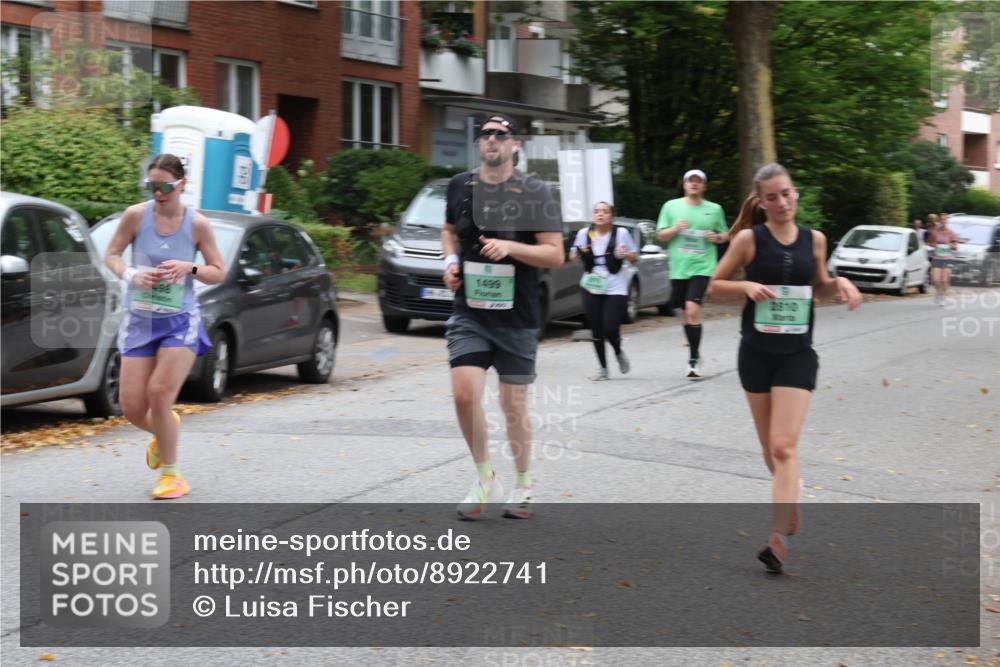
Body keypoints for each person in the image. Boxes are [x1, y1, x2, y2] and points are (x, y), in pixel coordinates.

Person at [709, 163, 861, 574]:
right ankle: (791, 488)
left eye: (787, 193)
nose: (781, 202)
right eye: (772, 197)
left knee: (782, 446)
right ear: (760, 201)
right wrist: (743, 286)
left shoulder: (815, 240)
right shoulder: (748, 239)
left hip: (797, 354)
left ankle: (776, 540)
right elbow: (714, 286)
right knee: (768, 449)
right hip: (756, 353)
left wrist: (840, 284)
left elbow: (819, 287)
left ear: (796, 194)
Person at [441, 114, 563, 520]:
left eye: (501, 135)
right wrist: (451, 260)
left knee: (513, 406)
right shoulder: (460, 186)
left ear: (516, 144)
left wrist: (511, 249)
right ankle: (484, 476)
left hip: (518, 315)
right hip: (470, 311)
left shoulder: (535, 192)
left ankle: (524, 481)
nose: (492, 140)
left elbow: (554, 253)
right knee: (463, 393)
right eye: (486, 134)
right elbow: (447, 230)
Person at [105, 154, 225, 499]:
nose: (158, 193)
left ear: (181, 185)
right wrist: (130, 273)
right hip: (140, 320)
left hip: (179, 321)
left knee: (159, 393)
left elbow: (219, 270)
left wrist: (191, 268)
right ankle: (165, 426)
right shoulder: (135, 216)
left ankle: (172, 476)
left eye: (165, 187)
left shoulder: (197, 225)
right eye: (151, 186)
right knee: (130, 407)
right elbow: (111, 255)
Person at [655, 169, 730, 379]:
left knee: (692, 308)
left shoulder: (714, 209)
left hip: (703, 266)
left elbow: (726, 234)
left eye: (699, 182)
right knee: (686, 313)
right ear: (684, 185)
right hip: (679, 267)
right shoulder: (671, 207)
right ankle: (694, 352)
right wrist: (675, 229)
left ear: (704, 186)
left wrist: (717, 237)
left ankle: (693, 360)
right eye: (691, 181)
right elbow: (661, 235)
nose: (694, 184)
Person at [572, 202, 638, 381]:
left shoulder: (621, 233)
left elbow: (634, 258)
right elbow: (572, 256)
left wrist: (626, 254)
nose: (600, 214)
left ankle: (617, 351)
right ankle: (603, 368)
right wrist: (580, 251)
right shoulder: (584, 234)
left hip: (615, 285)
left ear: (611, 217)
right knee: (595, 327)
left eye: (605, 212)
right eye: (596, 211)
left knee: (610, 327)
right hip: (591, 283)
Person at [927, 211, 959, 305]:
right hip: (937, 258)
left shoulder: (951, 232)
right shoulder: (935, 232)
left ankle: (943, 296)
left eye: (945, 219)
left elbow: (955, 246)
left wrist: (949, 245)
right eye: (941, 219)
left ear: (947, 221)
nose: (943, 221)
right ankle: (938, 291)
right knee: (935, 280)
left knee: (945, 280)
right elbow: (930, 243)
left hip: (947, 258)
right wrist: (935, 245)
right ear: (939, 221)